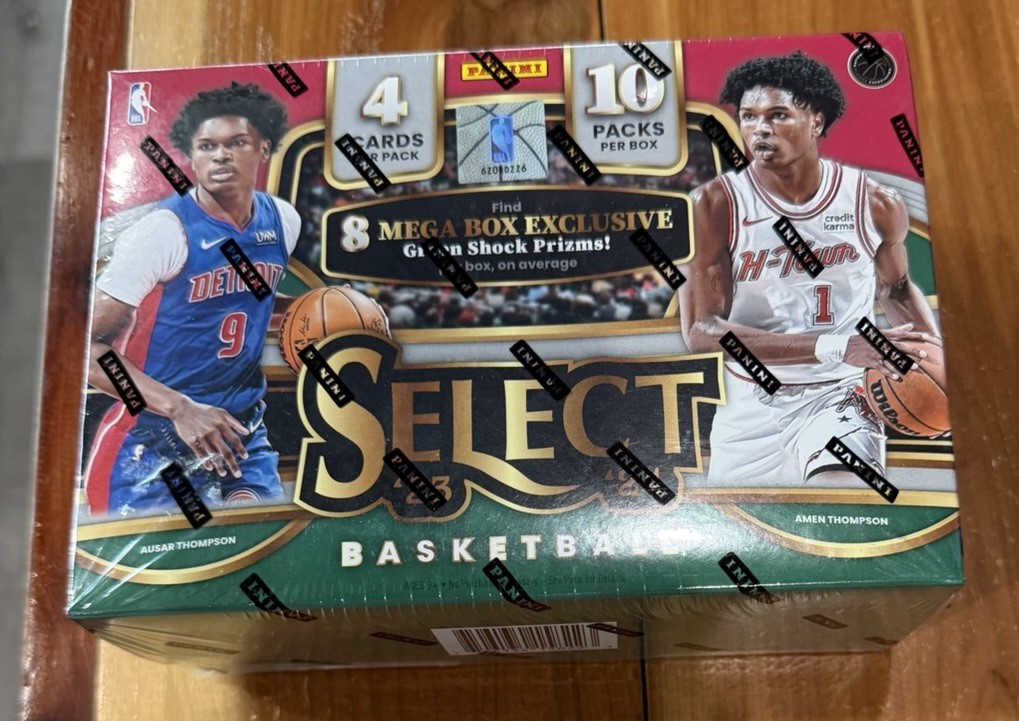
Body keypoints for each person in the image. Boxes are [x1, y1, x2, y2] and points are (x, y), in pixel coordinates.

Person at [680, 52, 941, 486]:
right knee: (746, 522)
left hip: (842, 395)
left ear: (816, 121)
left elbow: (895, 289)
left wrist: (934, 359)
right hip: (751, 403)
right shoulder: (714, 204)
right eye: (748, 117)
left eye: (777, 115)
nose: (759, 128)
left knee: (840, 499)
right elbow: (701, 331)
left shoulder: (874, 203)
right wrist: (839, 346)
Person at [85, 82, 301, 514]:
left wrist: (315, 313)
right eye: (207, 146)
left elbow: (240, 302)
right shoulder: (162, 233)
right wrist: (180, 408)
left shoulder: (283, 220)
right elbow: (85, 350)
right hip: (152, 439)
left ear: (263, 148)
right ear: (191, 155)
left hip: (239, 431)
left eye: (236, 142)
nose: (220, 156)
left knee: (267, 546)